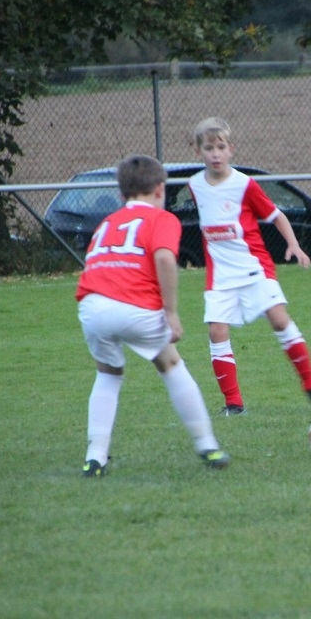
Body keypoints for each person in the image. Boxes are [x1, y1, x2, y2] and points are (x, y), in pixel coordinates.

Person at [75, 154, 230, 476]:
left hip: (91, 305)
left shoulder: (108, 222)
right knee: (170, 364)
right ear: (160, 189)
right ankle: (207, 445)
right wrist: (170, 312)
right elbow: (164, 258)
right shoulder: (162, 219)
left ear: (121, 194)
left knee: (107, 374)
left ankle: (95, 456)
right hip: (134, 307)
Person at [187, 117, 311, 416]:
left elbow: (276, 216)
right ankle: (234, 404)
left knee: (279, 320)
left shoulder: (245, 184)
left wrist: (294, 245)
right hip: (220, 275)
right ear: (198, 151)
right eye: (209, 148)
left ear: (231, 149)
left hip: (253, 266)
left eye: (221, 147)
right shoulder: (195, 186)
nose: (215, 154)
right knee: (216, 331)